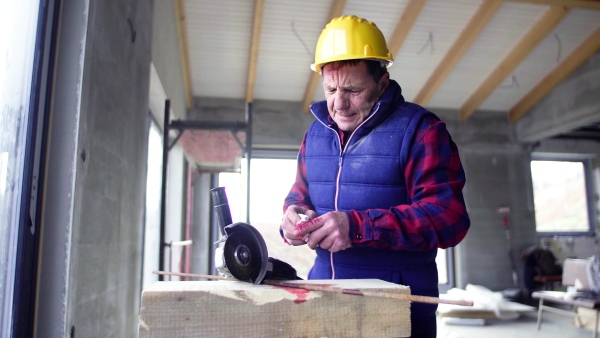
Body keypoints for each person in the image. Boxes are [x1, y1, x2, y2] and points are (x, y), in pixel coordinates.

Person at [279, 15, 470, 337]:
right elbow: (300, 193)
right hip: (325, 295)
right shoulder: (315, 134)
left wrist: (357, 226)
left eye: (353, 89)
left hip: (397, 305)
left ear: (382, 82)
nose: (339, 103)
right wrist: (292, 216)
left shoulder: (422, 131)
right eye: (331, 89)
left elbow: (449, 218)